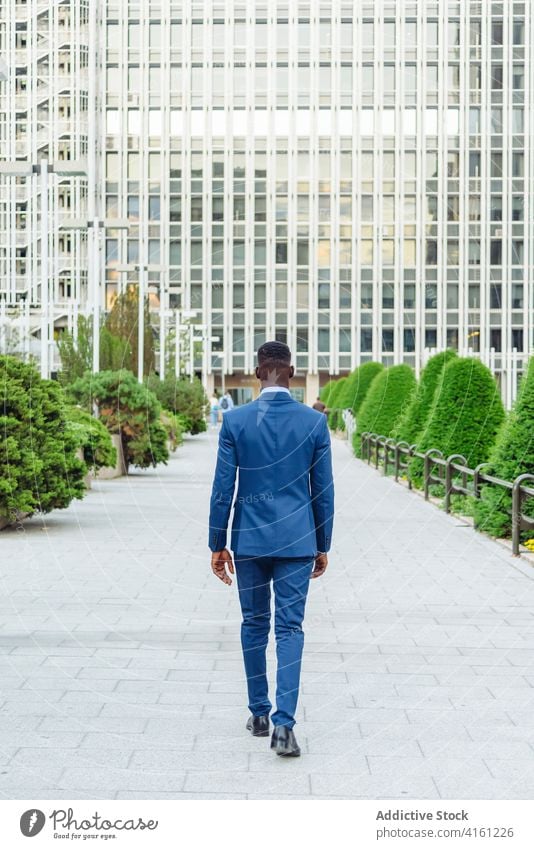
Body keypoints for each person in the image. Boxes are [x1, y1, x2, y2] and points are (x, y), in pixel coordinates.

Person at [208, 341, 334, 757]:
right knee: (290, 630)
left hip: (249, 542)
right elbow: (324, 493)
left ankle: (259, 713)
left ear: (258, 372)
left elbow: (223, 489)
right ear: (291, 373)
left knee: (253, 626)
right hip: (298, 540)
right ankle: (284, 727)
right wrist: (322, 544)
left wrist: (217, 543)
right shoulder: (314, 424)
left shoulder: (235, 421)